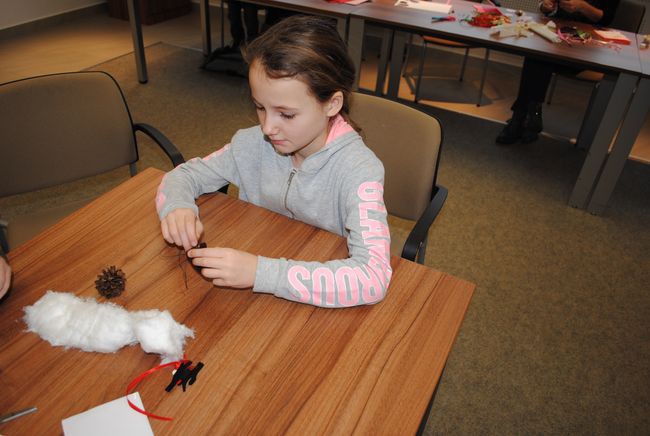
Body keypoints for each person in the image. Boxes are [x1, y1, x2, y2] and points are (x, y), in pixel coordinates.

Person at [156, 15, 391, 308]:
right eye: (259, 107)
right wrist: (177, 206)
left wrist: (260, 272)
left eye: (286, 114)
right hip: (257, 286)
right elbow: (183, 175)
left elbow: (373, 278)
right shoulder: (252, 143)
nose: (267, 128)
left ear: (332, 104)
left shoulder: (359, 171)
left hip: (315, 297)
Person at [496, 0, 619, 144]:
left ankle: (521, 116)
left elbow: (606, 19)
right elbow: (545, 7)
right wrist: (546, 6)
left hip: (587, 47)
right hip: (559, 35)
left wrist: (583, 7)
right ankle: (529, 114)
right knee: (538, 56)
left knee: (538, 59)